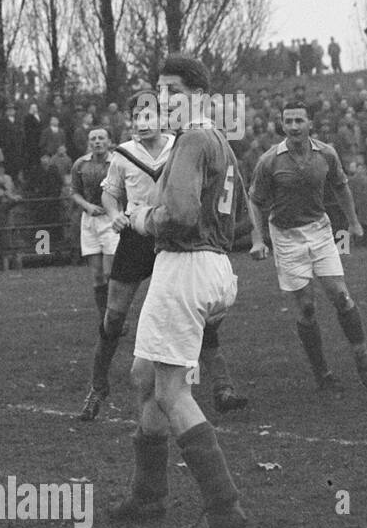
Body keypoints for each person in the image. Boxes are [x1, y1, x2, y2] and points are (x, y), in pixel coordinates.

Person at [109, 54, 246, 528]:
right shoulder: (221, 143)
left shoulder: (191, 139)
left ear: (201, 97)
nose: (163, 100)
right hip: (212, 266)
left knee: (171, 391)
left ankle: (224, 506)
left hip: (184, 266)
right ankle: (148, 495)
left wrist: (145, 218)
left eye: (174, 92)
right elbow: (241, 217)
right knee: (144, 377)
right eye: (159, 91)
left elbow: (181, 215)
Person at [79, 94, 248, 421]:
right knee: (114, 317)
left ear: (162, 118)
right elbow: (110, 192)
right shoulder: (123, 155)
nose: (143, 122)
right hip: (136, 236)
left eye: (149, 115)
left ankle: (222, 387)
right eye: (137, 117)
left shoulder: (182, 145)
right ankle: (98, 386)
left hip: (173, 237)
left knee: (192, 312)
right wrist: (114, 213)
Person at [247, 103, 367, 392]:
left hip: (320, 231)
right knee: (306, 308)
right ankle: (323, 375)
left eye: (299, 120)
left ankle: (365, 365)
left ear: (310, 123)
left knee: (341, 296)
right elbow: (254, 200)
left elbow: (341, 186)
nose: (294, 126)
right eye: (288, 121)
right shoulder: (269, 160)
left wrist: (354, 222)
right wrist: (258, 239)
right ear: (282, 125)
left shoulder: (327, 154)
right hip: (285, 235)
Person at [70, 127, 117, 324]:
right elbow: (74, 192)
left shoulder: (117, 162)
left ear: (108, 141)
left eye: (101, 138)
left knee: (110, 272)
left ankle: (116, 315)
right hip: (89, 221)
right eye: (93, 139)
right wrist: (88, 206)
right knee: (97, 275)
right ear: (89, 143)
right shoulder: (81, 164)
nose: (97, 141)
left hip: (111, 219)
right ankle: (104, 317)